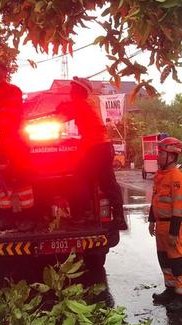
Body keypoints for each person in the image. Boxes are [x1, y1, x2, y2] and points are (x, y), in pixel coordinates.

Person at [55, 76, 127, 230]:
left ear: (80, 91)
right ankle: (119, 218)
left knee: (78, 181)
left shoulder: (80, 105)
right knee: (108, 184)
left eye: (73, 89)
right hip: (104, 147)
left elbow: (62, 116)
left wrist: (59, 109)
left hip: (96, 149)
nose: (70, 92)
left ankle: (81, 217)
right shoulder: (89, 103)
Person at [0, 58, 35, 232]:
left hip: (16, 142)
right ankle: (6, 219)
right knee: (2, 182)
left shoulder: (13, 91)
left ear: (5, 72)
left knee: (21, 181)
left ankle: (28, 219)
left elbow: (10, 118)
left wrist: (2, 140)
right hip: (1, 144)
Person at [148, 137, 182, 311]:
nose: (158, 157)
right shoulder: (160, 176)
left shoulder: (178, 178)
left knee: (178, 261)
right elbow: (154, 198)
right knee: (164, 260)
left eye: (161, 154)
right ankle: (170, 290)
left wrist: (173, 232)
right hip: (160, 226)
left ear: (171, 156)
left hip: (172, 227)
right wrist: (151, 220)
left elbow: (178, 209)